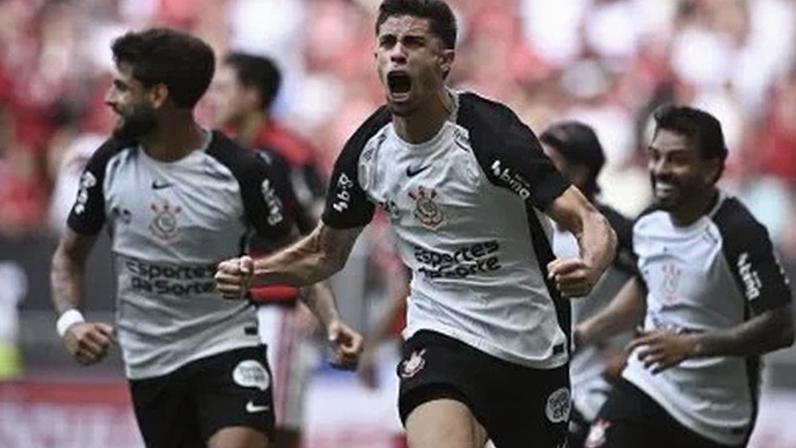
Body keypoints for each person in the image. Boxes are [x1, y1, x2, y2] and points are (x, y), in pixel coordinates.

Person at [216, 1, 618, 447]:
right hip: (442, 332)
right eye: (387, 42)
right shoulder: (368, 150)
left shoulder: (492, 135)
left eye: (412, 42)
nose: (397, 53)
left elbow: (588, 219)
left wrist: (591, 266)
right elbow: (324, 252)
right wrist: (258, 270)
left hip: (531, 341)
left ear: (444, 61)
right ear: (374, 57)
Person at [49, 28, 361, 448]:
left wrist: (331, 321)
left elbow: (298, 254)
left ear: (158, 95)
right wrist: (70, 321)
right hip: (150, 361)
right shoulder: (107, 165)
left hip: (226, 347)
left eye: (122, 87)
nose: (109, 99)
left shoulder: (241, 170)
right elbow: (69, 257)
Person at [575, 105, 794, 448]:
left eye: (676, 159)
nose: (661, 170)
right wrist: (584, 334)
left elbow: (780, 325)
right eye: (656, 156)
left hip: (714, 415)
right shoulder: (648, 222)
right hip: (648, 384)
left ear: (711, 169)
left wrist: (692, 345)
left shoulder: (737, 232)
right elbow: (648, 285)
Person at [209, 51, 328, 448]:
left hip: (277, 307)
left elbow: (323, 230)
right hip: (223, 308)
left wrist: (314, 298)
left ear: (253, 95)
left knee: (276, 427)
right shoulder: (211, 152)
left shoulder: (291, 153)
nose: (214, 98)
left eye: (224, 88)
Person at [538, 121, 636, 448]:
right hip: (540, 376)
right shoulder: (530, 224)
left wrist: (629, 352)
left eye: (548, 160)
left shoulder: (616, 233)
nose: (534, 167)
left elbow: (668, 284)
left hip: (594, 384)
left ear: (578, 173)